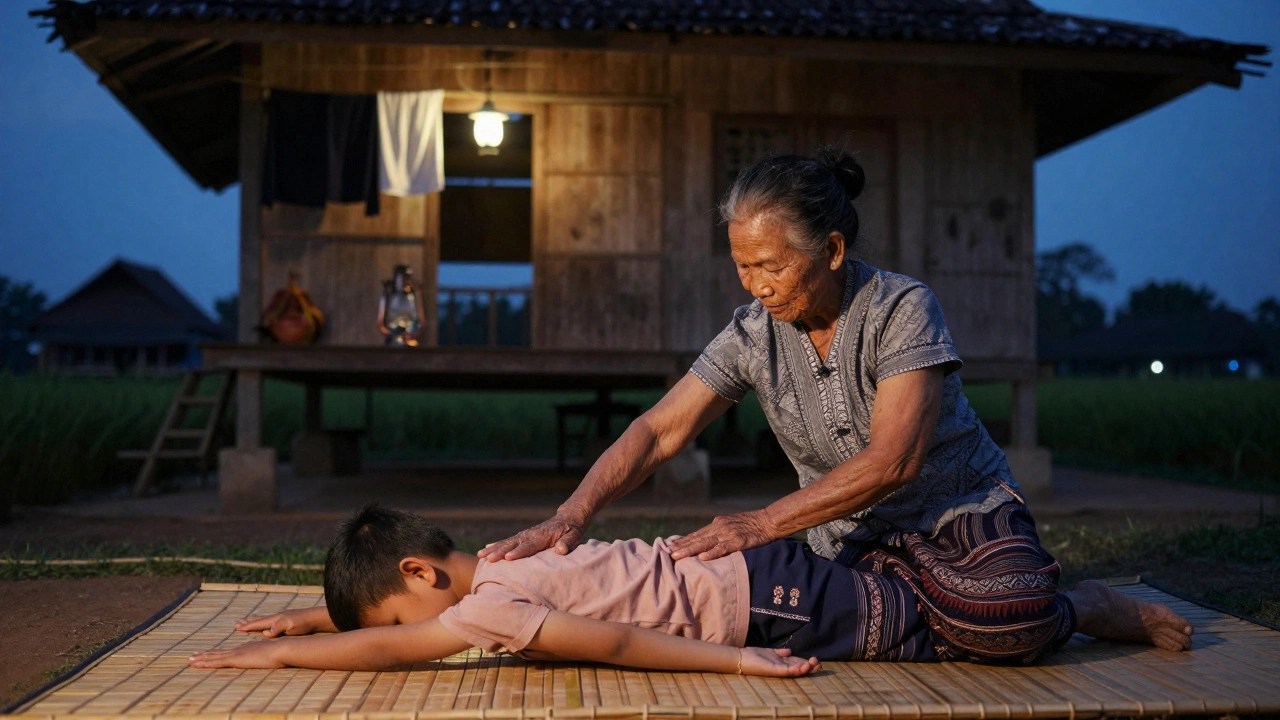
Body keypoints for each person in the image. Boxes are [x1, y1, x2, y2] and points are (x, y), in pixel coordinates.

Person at [478, 149, 1194, 663]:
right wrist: (572, 515)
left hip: (956, 512)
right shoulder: (751, 332)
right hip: (850, 539)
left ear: (832, 249)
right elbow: (658, 430)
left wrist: (758, 524)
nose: (755, 284)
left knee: (1004, 614)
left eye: (771, 264)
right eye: (741, 265)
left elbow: (894, 462)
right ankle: (963, 612)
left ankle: (1087, 606)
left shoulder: (902, 308)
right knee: (792, 618)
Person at [189, 504, 930, 673]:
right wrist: (319, 619)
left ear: (419, 572)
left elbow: (614, 641)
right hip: (752, 575)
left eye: (390, 610)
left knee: (916, 629)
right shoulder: (496, 564)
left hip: (758, 605)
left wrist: (737, 663)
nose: (420, 633)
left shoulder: (489, 609)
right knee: (889, 600)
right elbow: (399, 625)